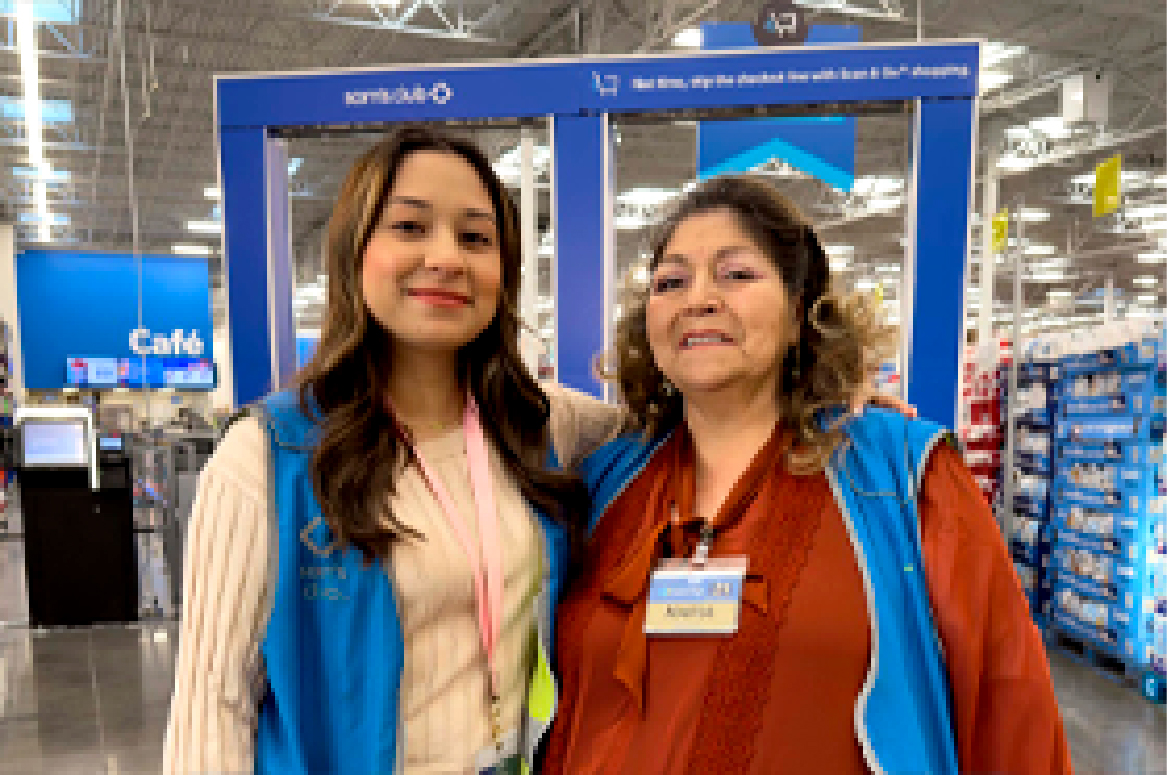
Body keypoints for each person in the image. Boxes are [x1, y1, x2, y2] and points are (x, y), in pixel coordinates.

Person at [163, 126, 911, 774]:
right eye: (410, 227)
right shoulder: (272, 456)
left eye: (476, 237)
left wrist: (823, 398)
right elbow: (213, 703)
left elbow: (707, 420)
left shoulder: (544, 426)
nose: (446, 258)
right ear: (354, 252)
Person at [541, 175, 1072, 774]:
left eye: (736, 274)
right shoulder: (605, 479)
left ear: (800, 313)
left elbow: (1007, 697)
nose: (698, 299)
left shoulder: (902, 474)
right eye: (671, 282)